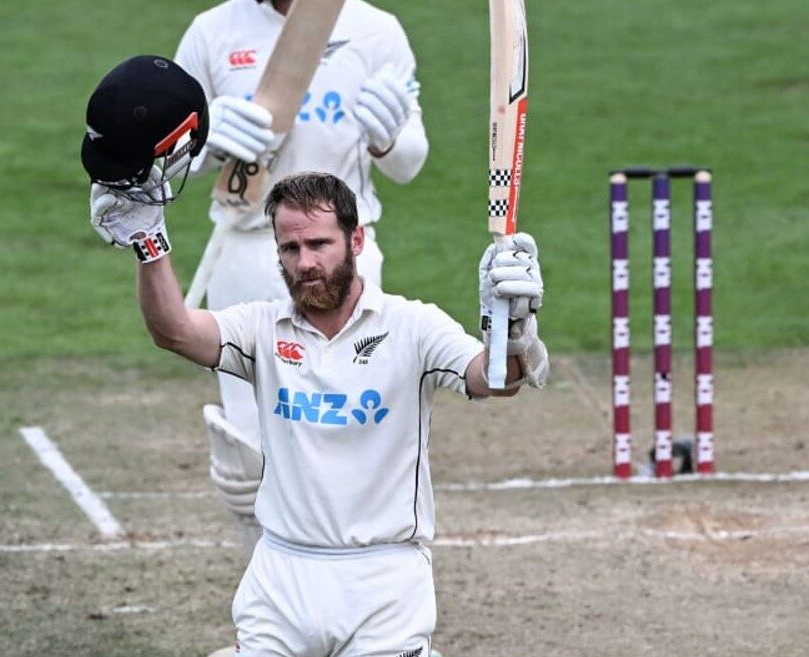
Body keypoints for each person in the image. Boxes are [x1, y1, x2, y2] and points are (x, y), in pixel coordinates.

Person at [82, 55, 549, 657]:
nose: (305, 261)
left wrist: (512, 329)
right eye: (291, 247)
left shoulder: (410, 326)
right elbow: (173, 330)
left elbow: (496, 380)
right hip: (282, 575)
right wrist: (149, 245)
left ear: (356, 240)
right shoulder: (259, 328)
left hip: (384, 580)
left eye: (320, 244)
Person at [159, 0, 431, 558]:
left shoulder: (376, 31)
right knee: (249, 455)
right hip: (245, 251)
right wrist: (208, 141)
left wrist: (387, 138)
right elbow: (166, 164)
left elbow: (410, 161)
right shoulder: (214, 31)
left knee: (347, 433)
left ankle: (364, 598)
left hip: (344, 262)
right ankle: (271, 614)